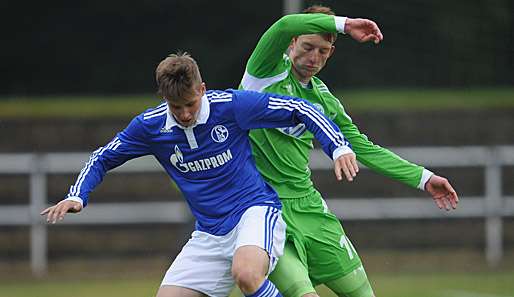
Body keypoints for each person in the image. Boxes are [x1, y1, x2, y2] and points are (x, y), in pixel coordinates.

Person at [40, 52, 360, 297]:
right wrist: (77, 195)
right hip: (209, 234)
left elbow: (301, 109)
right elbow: (102, 157)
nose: (185, 114)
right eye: (175, 107)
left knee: (247, 275)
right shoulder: (150, 127)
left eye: (190, 104)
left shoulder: (230, 107)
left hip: (255, 212)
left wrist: (339, 147)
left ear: (202, 89)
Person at [239, 5, 459, 297]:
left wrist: (424, 178)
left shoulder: (324, 101)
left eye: (323, 51)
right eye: (307, 47)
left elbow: (365, 149)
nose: (313, 58)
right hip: (262, 208)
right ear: (292, 43)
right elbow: (284, 24)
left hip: (310, 208)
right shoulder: (265, 72)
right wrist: (344, 24)